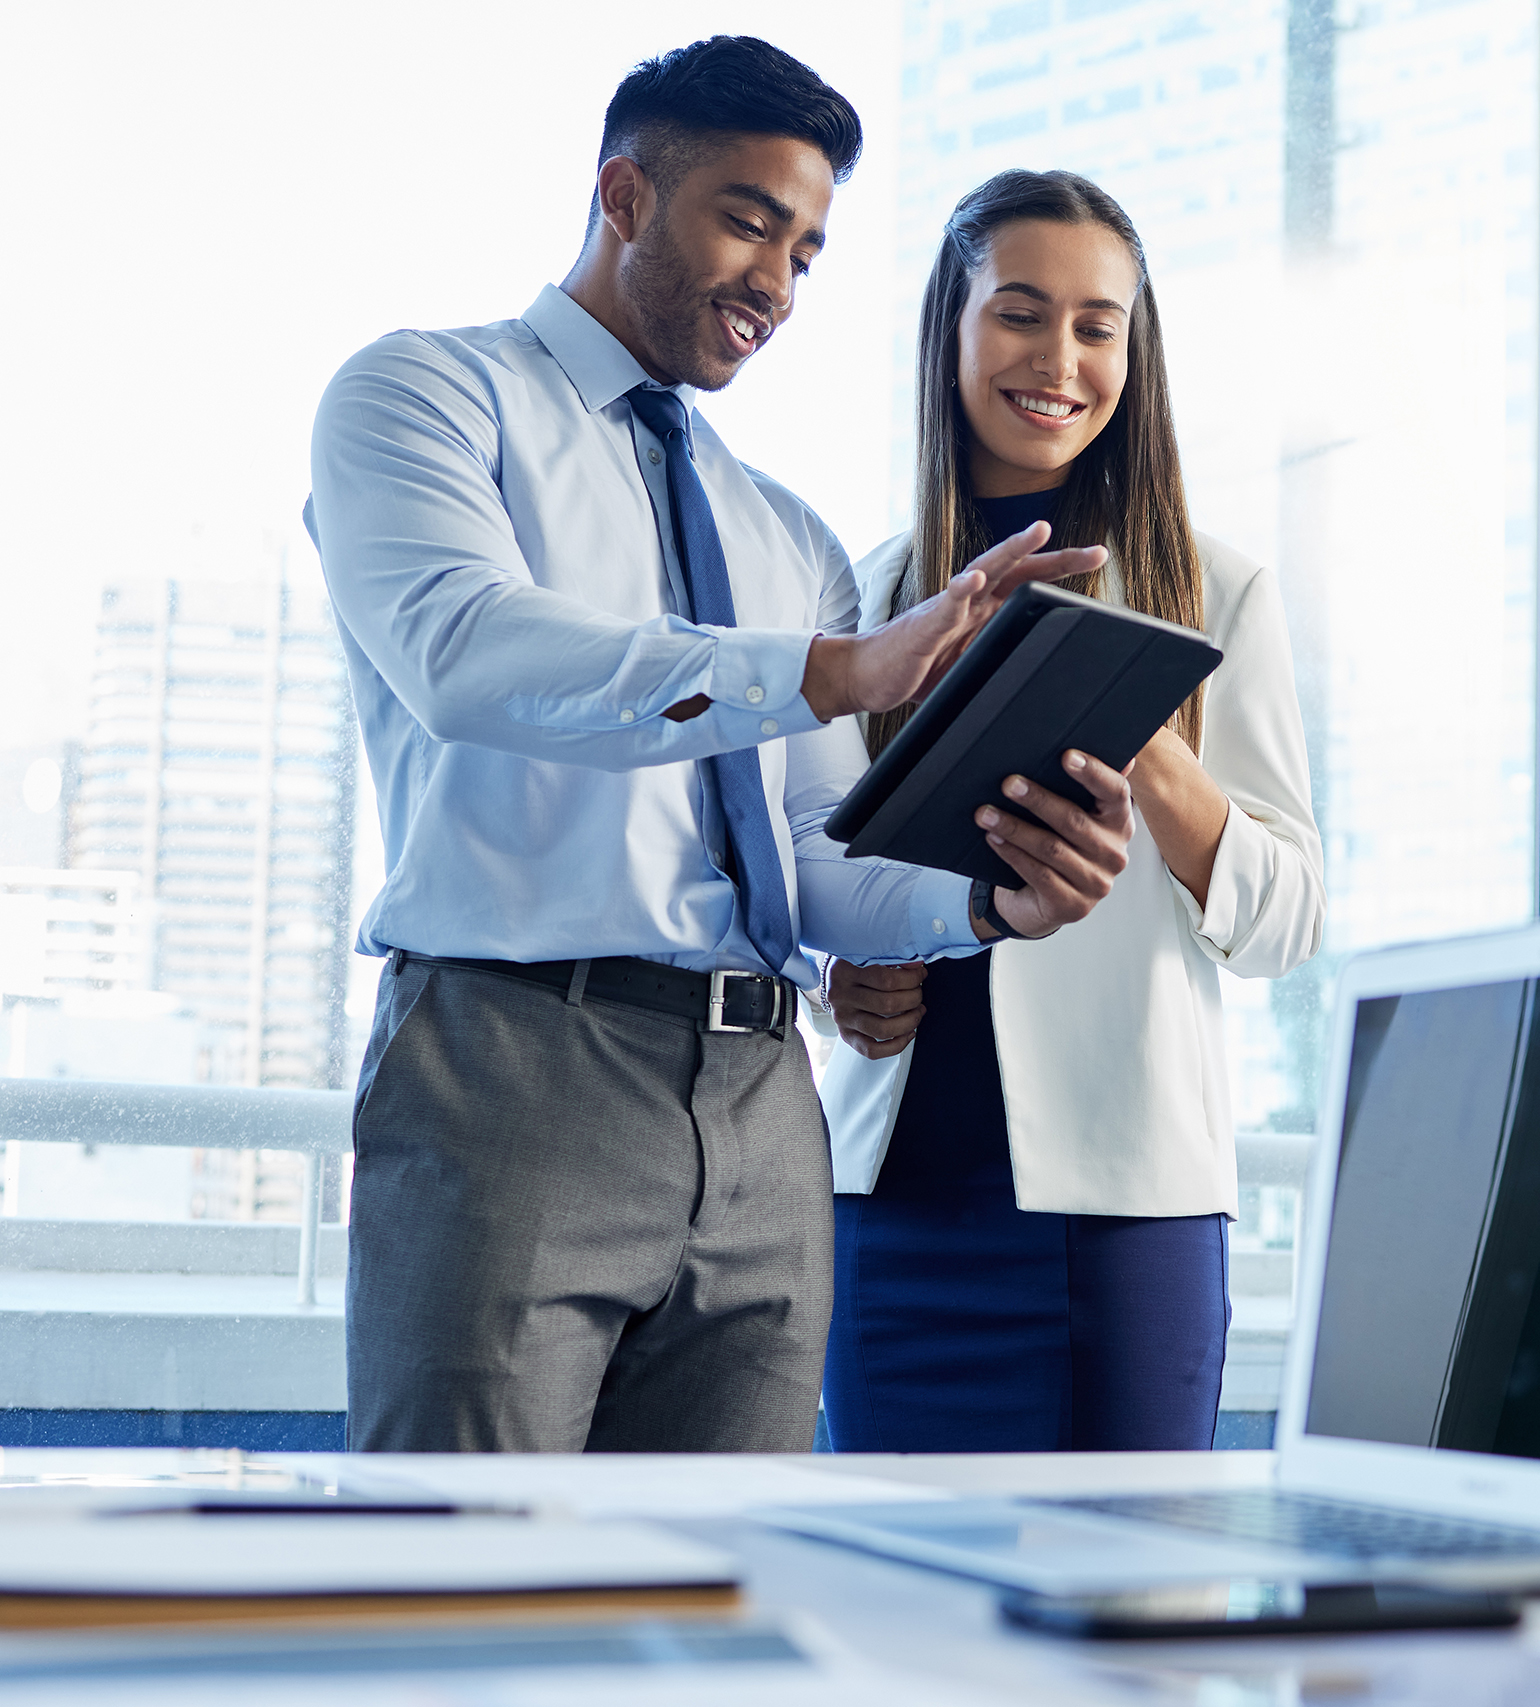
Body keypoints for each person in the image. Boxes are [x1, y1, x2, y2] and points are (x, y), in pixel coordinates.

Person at [304, 42, 1136, 1454]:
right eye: (749, 221)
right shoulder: (427, 397)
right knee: (463, 1589)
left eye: (808, 251)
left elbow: (814, 857)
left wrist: (990, 899)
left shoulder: (784, 533)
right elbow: (469, 655)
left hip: (763, 1107)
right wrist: (822, 670)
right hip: (516, 1063)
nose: (779, 282)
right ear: (625, 195)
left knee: (713, 1609)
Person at [818, 169, 1326, 1454]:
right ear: (951, 327)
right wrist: (838, 977)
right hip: (893, 1201)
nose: (1059, 358)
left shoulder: (1219, 591)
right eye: (1020, 314)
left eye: (1098, 326)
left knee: (1133, 1628)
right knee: (898, 1626)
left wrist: (1146, 738)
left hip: (1127, 1213)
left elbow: (1287, 922)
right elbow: (809, 874)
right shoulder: (863, 595)